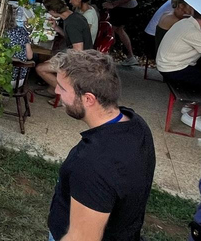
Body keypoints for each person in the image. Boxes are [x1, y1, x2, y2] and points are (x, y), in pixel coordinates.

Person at [47, 50, 155, 241]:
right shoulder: (136, 124)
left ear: (88, 99)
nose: (56, 91)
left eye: (62, 88)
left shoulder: (92, 164)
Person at [156, 10, 201, 132]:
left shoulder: (185, 22)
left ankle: (191, 106)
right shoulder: (193, 32)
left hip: (169, 66)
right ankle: (192, 116)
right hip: (174, 70)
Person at [35, 0, 93, 95]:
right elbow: (72, 38)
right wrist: (56, 27)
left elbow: (78, 50)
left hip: (81, 60)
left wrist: (61, 62)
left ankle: (67, 93)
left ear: (53, 11)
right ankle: (51, 89)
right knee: (50, 56)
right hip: (83, 54)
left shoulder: (71, 24)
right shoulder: (73, 16)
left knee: (40, 68)